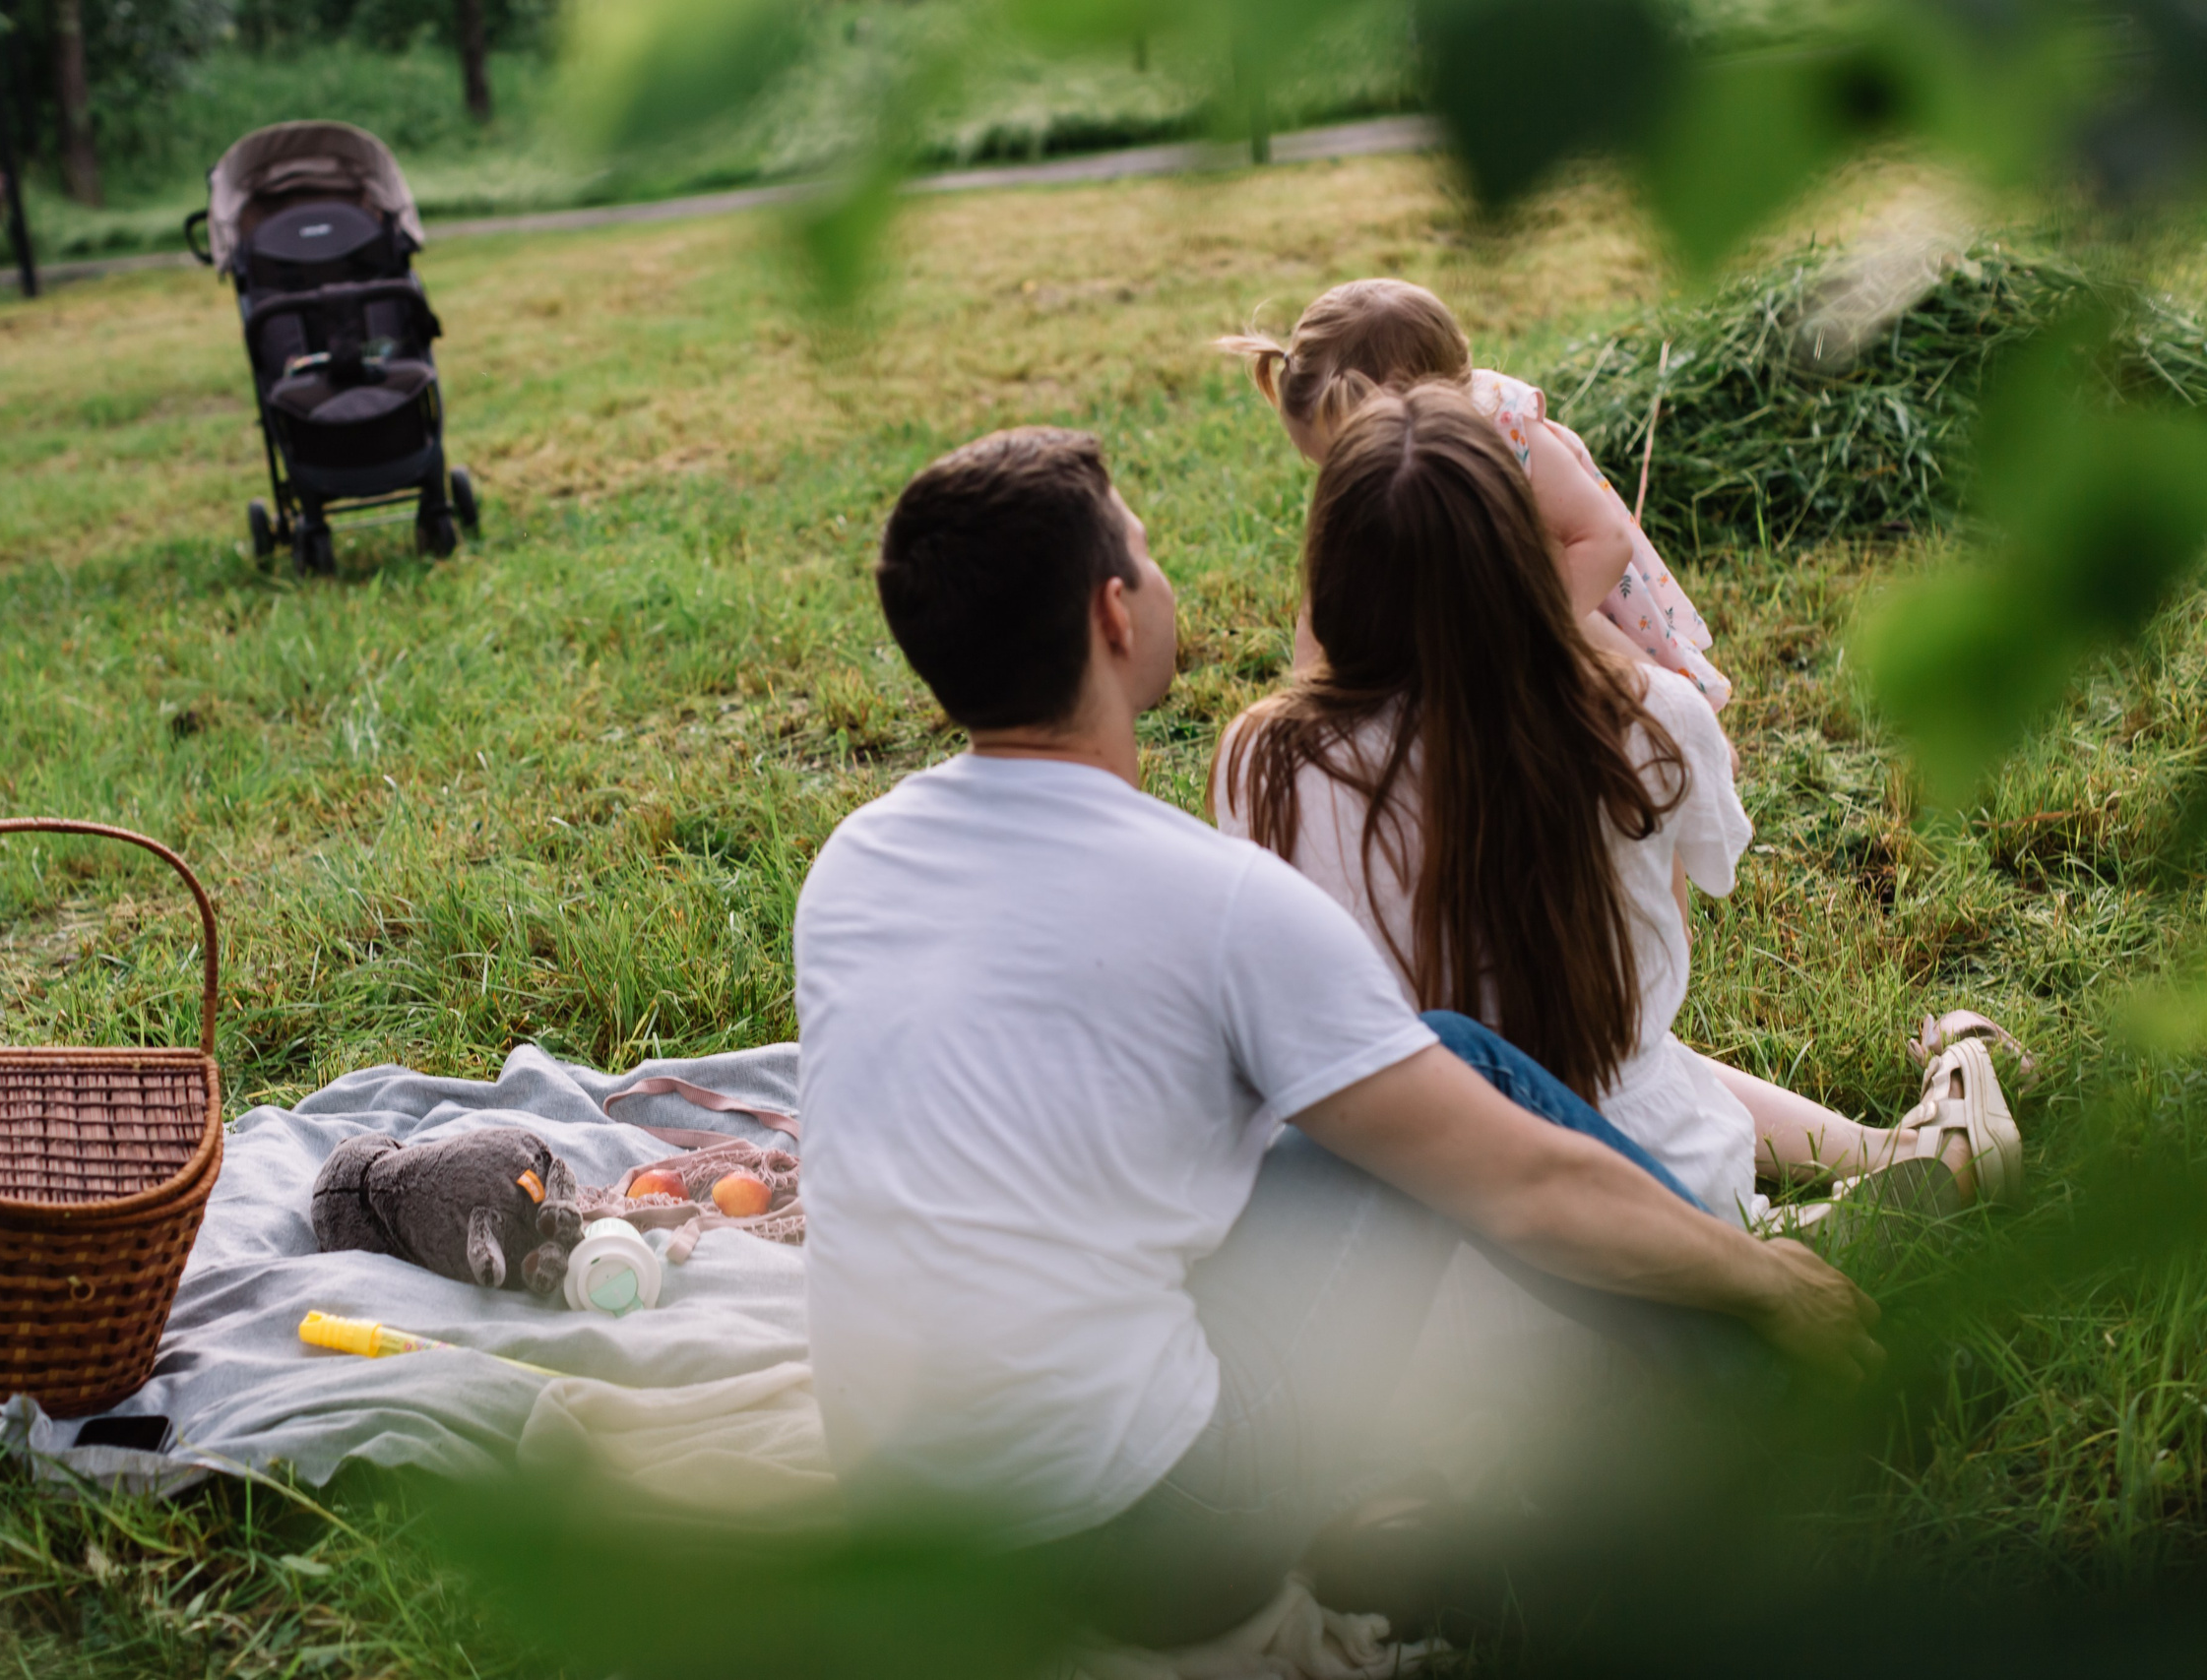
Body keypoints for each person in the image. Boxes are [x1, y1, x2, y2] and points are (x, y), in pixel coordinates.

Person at [793, 425, 1881, 1646]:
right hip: (1149, 1541)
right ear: (1113, 616)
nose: (1167, 584)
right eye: (1148, 561)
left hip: (905, 1526)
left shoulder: (854, 864)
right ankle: (1787, 1396)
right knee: (1456, 1063)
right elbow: (1517, 1178)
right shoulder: (1213, 903)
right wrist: (1764, 1281)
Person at [1211, 385, 2024, 1229]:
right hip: (1653, 1174)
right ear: (1522, 549)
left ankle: (1883, 1167)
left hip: (1394, 1197)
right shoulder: (1653, 712)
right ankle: (1868, 1205)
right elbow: (1655, 979)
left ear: (1330, 568)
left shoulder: (1259, 756)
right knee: (1624, 1045)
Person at [1218, 278, 1731, 711]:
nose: (1349, 480)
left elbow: (1604, 541)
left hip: (1563, 597)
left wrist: (1530, 637)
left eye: (1350, 457)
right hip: (1472, 609)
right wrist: (1311, 702)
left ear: (1415, 414)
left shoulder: (1506, 431)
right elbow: (1324, 597)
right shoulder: (1376, 475)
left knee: (1635, 700)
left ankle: (1698, 746)